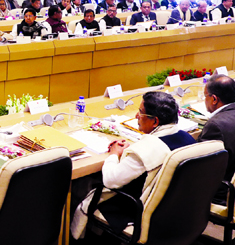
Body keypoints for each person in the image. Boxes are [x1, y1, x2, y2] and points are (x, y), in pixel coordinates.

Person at [71, 91, 195, 237]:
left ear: (155, 121)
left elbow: (110, 180)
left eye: (140, 112)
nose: (136, 116)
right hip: (174, 208)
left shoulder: (150, 147)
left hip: (136, 210)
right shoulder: (187, 137)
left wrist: (114, 155)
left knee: (79, 188)